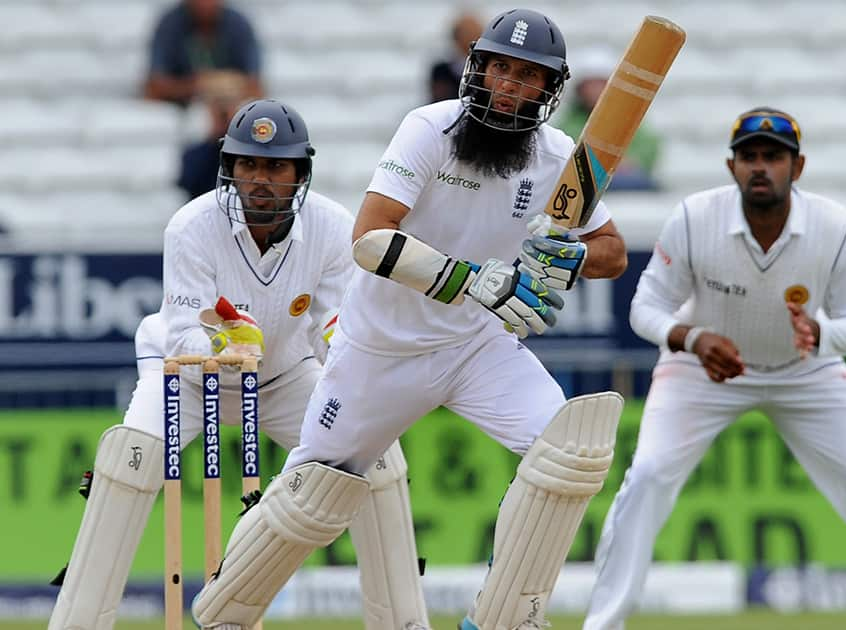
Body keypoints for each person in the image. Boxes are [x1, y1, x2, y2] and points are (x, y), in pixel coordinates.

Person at [193, 9, 629, 630]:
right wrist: (475, 281)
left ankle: (504, 617)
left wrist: (577, 255)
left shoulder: (562, 157)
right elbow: (369, 240)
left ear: (547, 89)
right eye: (498, 67)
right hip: (379, 351)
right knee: (310, 497)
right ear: (477, 67)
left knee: (572, 450)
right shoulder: (428, 128)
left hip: (476, 347)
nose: (507, 84)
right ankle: (224, 615)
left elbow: (613, 251)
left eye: (525, 75)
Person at [48, 99, 429, 630]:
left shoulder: (333, 226)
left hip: (283, 377)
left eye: (275, 166)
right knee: (128, 460)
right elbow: (183, 331)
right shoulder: (191, 225)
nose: (259, 179)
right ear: (230, 167)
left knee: (376, 453)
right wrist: (226, 349)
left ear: (300, 173)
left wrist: (359, 394)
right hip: (182, 374)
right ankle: (77, 622)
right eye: (247, 165)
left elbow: (333, 330)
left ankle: (403, 620)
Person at [583, 108, 846, 630]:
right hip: (702, 372)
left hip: (804, 372)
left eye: (774, 156)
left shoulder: (833, 226)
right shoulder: (694, 217)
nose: (761, 167)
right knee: (648, 477)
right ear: (732, 167)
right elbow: (645, 309)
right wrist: (694, 338)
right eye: (749, 157)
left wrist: (822, 337)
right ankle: (602, 624)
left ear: (799, 165)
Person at [555, 45, 662, 191]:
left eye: (601, 83)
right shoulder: (568, 124)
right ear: (580, 89)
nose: (596, 90)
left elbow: (648, 151)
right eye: (591, 84)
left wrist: (629, 164)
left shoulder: (631, 120)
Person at [144, 0, 264, 107]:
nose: (205, 4)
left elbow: (256, 87)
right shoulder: (170, 24)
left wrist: (224, 90)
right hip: (184, 107)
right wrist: (195, 87)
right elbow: (154, 88)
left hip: (232, 106)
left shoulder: (238, 24)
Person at [177, 71, 251, 199]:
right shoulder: (193, 154)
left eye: (229, 101)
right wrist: (215, 137)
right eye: (218, 101)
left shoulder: (253, 152)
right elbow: (191, 184)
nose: (224, 108)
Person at [427, 10, 483, 103]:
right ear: (456, 37)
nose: (472, 37)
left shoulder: (485, 69)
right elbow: (438, 99)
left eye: (476, 32)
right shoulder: (441, 70)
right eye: (467, 33)